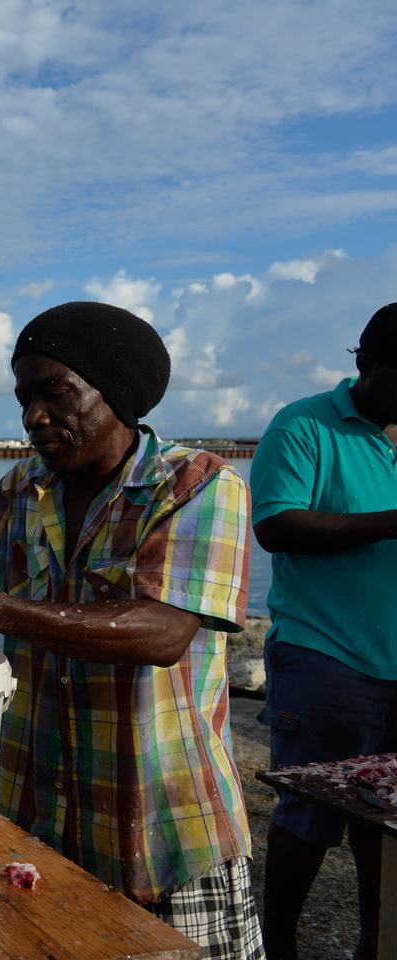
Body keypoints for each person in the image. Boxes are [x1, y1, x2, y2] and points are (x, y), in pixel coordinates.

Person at [0, 302, 263, 959]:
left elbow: (161, 630)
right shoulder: (26, 488)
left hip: (163, 830)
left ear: (115, 392)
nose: (34, 417)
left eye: (54, 393)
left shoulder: (198, 485)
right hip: (41, 823)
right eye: (25, 398)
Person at [251, 303, 397, 960]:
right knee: (308, 815)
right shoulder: (303, 425)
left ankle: (374, 940)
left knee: (387, 818)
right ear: (365, 364)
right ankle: (275, 945)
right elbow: (277, 526)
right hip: (325, 654)